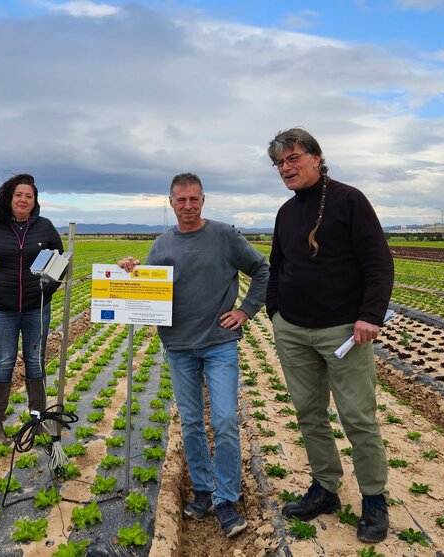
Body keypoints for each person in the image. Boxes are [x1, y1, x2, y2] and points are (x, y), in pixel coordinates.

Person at [118, 173, 269, 538]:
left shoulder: (224, 236)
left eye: (194, 199)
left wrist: (246, 310)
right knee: (191, 422)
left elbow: (262, 269)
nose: (188, 206)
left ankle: (226, 499)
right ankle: (202, 490)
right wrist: (129, 273)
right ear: (171, 203)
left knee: (225, 420)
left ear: (203, 200)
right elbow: (146, 285)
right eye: (181, 200)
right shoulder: (162, 243)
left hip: (219, 343)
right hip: (179, 345)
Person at [265, 128, 394, 543]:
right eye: (280, 163)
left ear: (317, 158)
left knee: (357, 416)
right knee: (309, 414)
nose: (287, 168)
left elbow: (378, 261)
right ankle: (326, 488)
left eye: (293, 158)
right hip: (293, 329)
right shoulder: (286, 212)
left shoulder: (349, 200)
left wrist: (370, 314)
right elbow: (277, 264)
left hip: (344, 331)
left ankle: (374, 498)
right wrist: (276, 312)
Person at [0, 173, 64, 443]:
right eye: (19, 195)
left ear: (35, 202)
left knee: (35, 361)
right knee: (4, 361)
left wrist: (50, 288)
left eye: (29, 196)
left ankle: (38, 417)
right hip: (3, 309)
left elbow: (61, 262)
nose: (24, 200)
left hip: (37, 308)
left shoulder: (44, 227)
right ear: (9, 199)